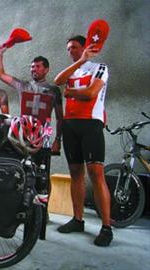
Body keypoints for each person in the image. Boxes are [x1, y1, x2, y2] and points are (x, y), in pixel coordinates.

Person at [54, 35, 112, 246]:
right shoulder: (73, 70)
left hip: (91, 124)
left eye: (75, 47)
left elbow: (90, 93)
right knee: (75, 174)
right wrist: (79, 62)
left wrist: (70, 92)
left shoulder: (100, 67)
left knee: (96, 175)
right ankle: (78, 220)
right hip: (70, 126)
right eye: (68, 48)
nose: (71, 51)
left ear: (85, 47)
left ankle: (106, 227)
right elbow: (57, 81)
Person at [0, 45, 63, 154]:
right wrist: (0, 54)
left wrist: (58, 140)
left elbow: (60, 118)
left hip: (44, 136)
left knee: (42, 168)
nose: (34, 69)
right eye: (32, 67)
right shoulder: (23, 86)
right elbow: (0, 74)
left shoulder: (54, 90)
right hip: (22, 135)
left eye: (37, 66)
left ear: (46, 70)